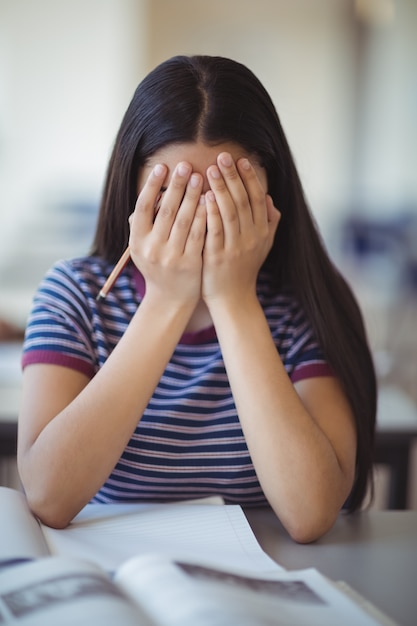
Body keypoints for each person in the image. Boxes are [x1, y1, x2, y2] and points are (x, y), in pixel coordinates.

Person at [17, 55, 376, 543]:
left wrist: (233, 299)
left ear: (270, 189)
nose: (199, 218)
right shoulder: (74, 294)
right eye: (174, 192)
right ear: (134, 192)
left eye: (226, 193)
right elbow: (47, 496)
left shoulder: (307, 303)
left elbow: (311, 512)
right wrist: (166, 300)